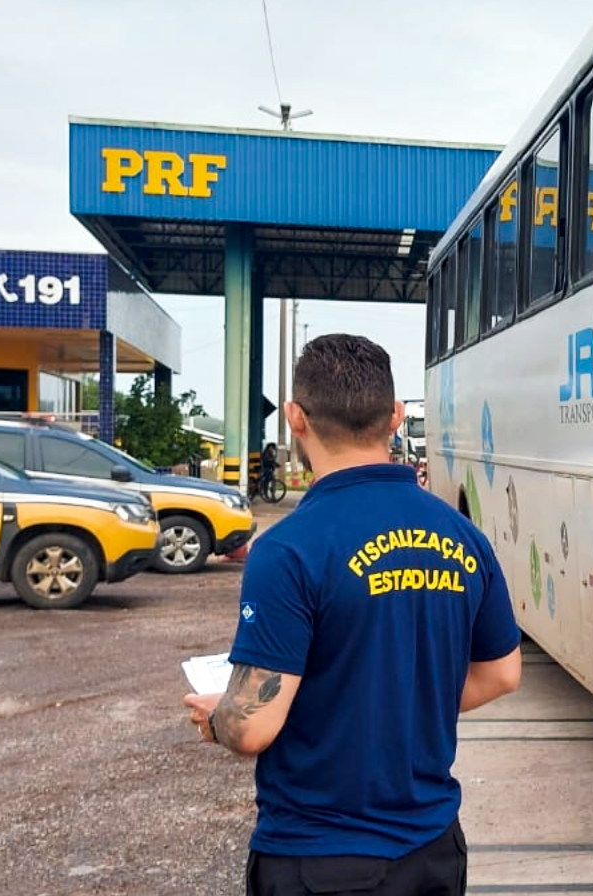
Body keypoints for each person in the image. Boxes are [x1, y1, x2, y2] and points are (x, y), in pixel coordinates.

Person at [182, 333, 523, 896]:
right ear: (393, 415)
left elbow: (252, 726)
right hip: (434, 853)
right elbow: (502, 672)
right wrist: (399, 702)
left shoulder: (288, 550)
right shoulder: (462, 535)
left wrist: (217, 716)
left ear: (295, 418)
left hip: (321, 858)